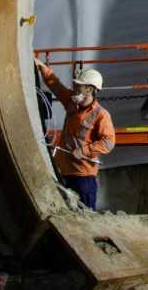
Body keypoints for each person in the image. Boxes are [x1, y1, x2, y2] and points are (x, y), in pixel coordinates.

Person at [34, 56, 116, 209]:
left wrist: (84, 150)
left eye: (79, 86)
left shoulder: (101, 114)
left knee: (86, 217)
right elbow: (55, 85)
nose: (75, 89)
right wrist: (41, 67)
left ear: (89, 89)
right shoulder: (72, 104)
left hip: (83, 177)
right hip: (64, 172)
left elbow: (109, 142)